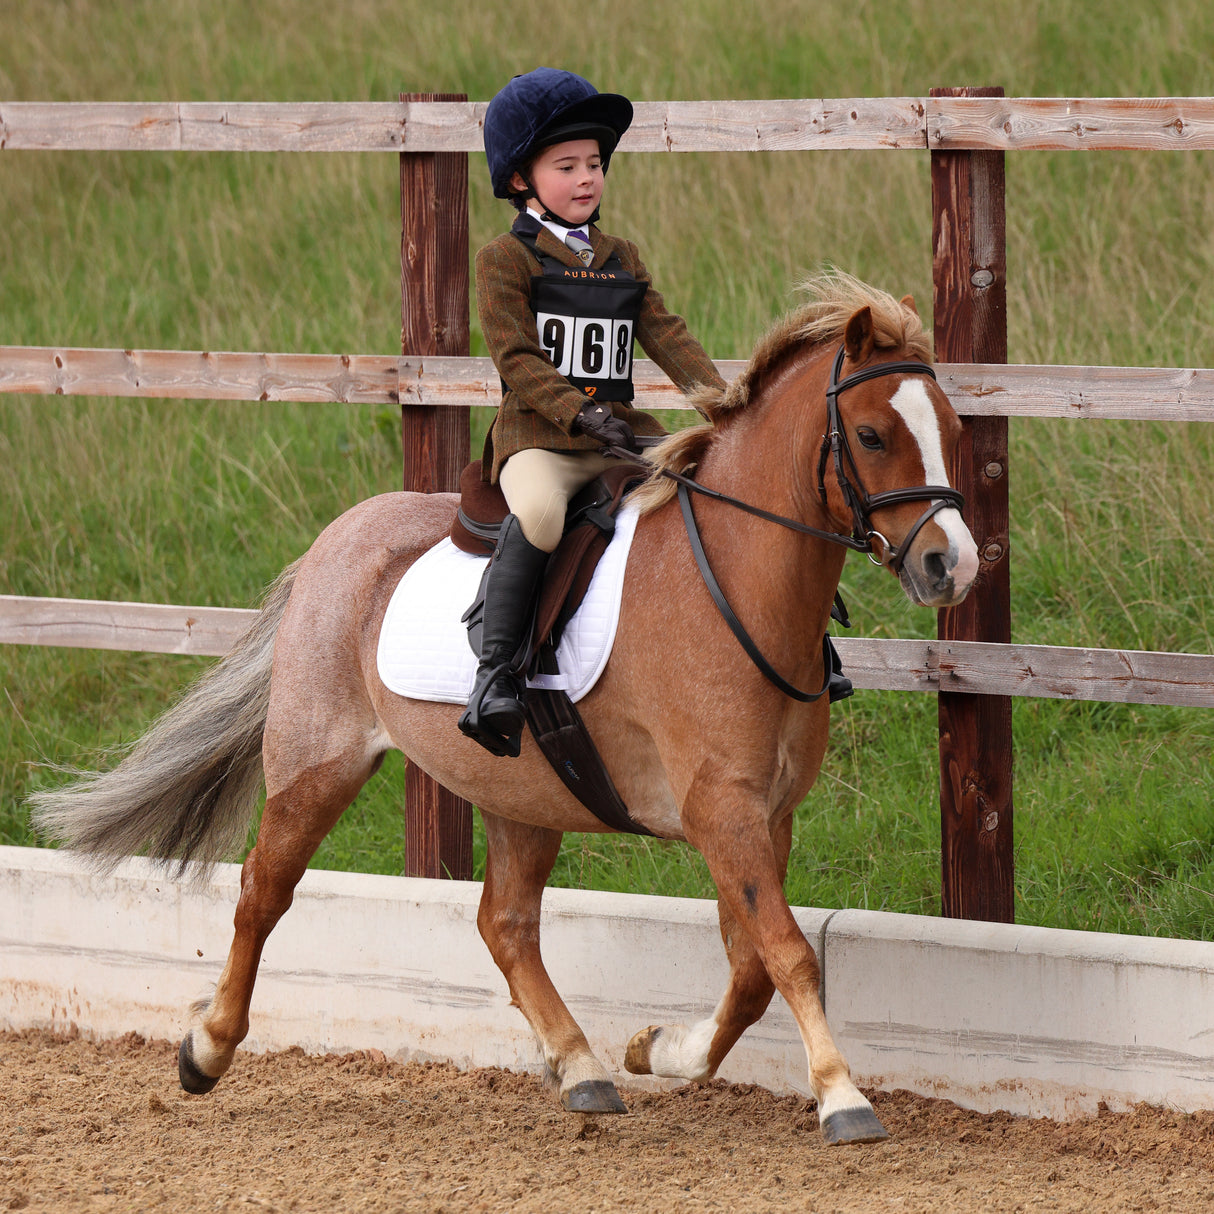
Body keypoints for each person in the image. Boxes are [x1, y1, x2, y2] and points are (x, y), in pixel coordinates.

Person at [459, 67, 726, 757]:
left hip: (619, 438)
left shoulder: (619, 257)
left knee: (716, 490)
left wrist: (723, 404)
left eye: (595, 165)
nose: (587, 179)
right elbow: (516, 356)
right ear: (519, 179)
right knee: (541, 515)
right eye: (567, 166)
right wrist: (578, 413)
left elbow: (666, 333)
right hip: (541, 440)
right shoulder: (504, 260)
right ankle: (494, 677)